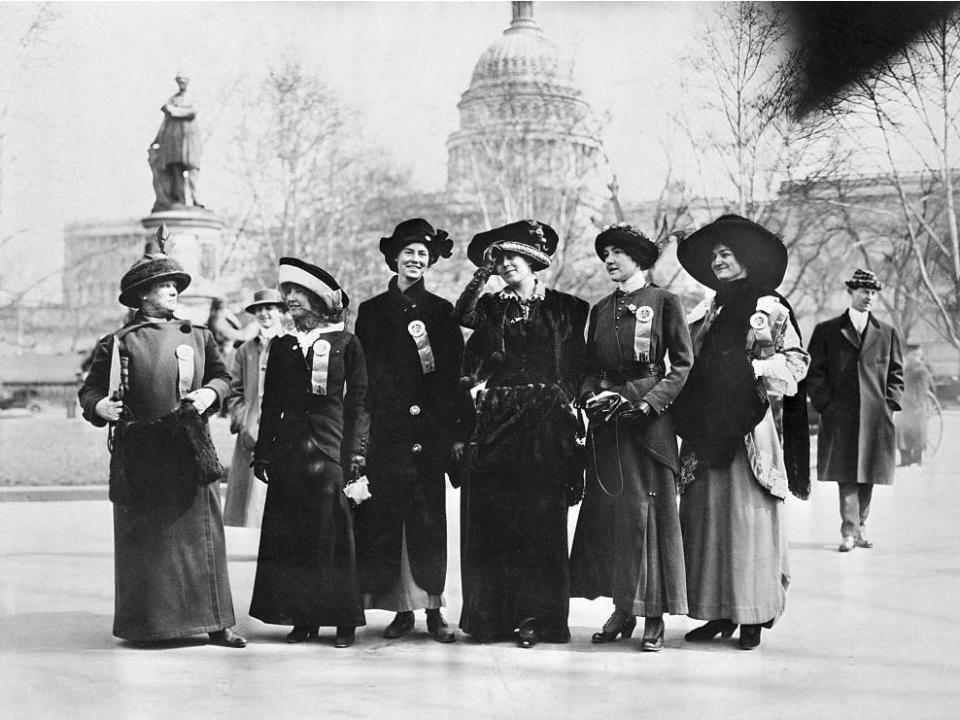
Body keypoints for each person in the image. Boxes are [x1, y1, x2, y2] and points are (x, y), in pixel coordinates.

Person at [78, 236, 245, 648]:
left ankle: (217, 622)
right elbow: (91, 390)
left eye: (175, 284)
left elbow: (223, 378)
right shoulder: (118, 342)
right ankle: (148, 625)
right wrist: (100, 408)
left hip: (190, 446)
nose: (174, 291)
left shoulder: (200, 337)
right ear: (141, 295)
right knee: (147, 538)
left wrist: (212, 394)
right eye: (164, 285)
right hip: (140, 452)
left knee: (203, 535)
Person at [671, 214, 810, 651]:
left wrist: (750, 369)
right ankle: (718, 612)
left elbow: (795, 364)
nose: (717, 261)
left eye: (726, 254)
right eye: (713, 256)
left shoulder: (769, 308)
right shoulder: (705, 310)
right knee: (707, 517)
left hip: (749, 427)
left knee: (748, 519)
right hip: (704, 425)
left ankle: (752, 614)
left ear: (747, 260)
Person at [453, 219, 588, 649]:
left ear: (534, 262)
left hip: (546, 426)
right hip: (496, 423)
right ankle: (493, 618)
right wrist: (481, 274)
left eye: (515, 257)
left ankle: (537, 619)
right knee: (496, 520)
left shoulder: (568, 308)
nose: (508, 265)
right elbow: (462, 315)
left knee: (539, 523)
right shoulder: (491, 306)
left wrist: (565, 403)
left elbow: (576, 367)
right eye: (501, 259)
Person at [569, 224, 693, 652]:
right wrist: (589, 397)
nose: (609, 260)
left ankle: (653, 614)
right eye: (605, 253)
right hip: (608, 426)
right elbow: (588, 368)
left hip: (649, 425)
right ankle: (623, 608)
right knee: (614, 517)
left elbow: (681, 364)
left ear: (639, 259)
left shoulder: (664, 302)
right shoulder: (600, 309)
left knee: (651, 516)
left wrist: (649, 404)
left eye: (618, 252)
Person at [249, 258, 369, 648]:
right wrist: (264, 452)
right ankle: (304, 618)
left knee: (334, 537)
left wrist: (356, 454)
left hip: (330, 450)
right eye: (287, 294)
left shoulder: (346, 344)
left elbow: (360, 405)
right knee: (295, 536)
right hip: (289, 454)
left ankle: (343, 621)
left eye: (299, 293)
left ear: (319, 300)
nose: (291, 299)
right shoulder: (282, 345)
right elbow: (271, 404)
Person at [353, 219, 463, 643]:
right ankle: (401, 609)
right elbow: (364, 377)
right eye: (408, 253)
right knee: (391, 517)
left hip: (429, 432)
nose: (415, 260)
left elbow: (452, 375)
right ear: (394, 258)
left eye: (422, 254)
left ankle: (434, 609)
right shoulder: (372, 311)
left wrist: (453, 431)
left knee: (429, 519)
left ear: (430, 261)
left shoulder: (440, 311)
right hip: (389, 431)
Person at [807, 268, 904, 552]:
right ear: (851, 293)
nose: (869, 297)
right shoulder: (827, 331)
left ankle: (861, 527)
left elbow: (896, 373)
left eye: (873, 293)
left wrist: (891, 404)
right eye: (864, 292)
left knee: (869, 473)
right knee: (847, 473)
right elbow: (814, 373)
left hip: (876, 416)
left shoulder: (887, 333)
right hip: (841, 415)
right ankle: (849, 531)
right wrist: (826, 405)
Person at [223, 289, 287, 528]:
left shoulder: (292, 344)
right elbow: (234, 390)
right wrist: (242, 420)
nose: (264, 314)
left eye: (269, 308)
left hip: (283, 430)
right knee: (251, 504)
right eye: (259, 309)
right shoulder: (245, 351)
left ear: (280, 311)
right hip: (251, 431)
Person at [149, 71, 202, 209]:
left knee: (192, 168)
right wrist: (157, 140)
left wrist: (173, 111)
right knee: (175, 168)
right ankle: (180, 200)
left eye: (183, 80)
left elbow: (192, 111)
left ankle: (196, 199)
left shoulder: (192, 97)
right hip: (173, 140)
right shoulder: (173, 99)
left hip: (189, 138)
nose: (181, 83)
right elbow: (165, 123)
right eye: (179, 80)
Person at [896, 343, 936, 467]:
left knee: (916, 432)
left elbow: (923, 389)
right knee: (902, 431)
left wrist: (916, 404)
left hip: (916, 406)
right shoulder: (907, 369)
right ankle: (905, 459)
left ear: (916, 356)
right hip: (905, 405)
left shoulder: (921, 370)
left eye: (912, 355)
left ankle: (916, 458)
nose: (908, 358)